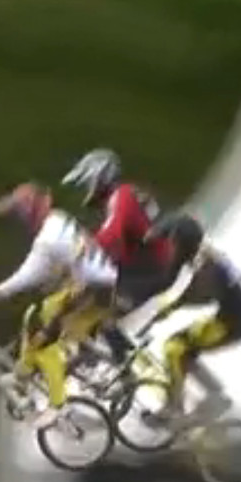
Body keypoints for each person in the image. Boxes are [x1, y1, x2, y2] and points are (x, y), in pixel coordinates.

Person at [0, 183, 119, 426]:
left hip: (97, 289)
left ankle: (58, 404)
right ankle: (23, 372)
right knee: (34, 315)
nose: (23, 215)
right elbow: (61, 261)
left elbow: (29, 275)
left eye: (26, 209)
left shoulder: (47, 240)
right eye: (21, 210)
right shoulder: (58, 218)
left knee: (43, 340)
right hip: (97, 282)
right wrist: (9, 204)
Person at [139, 211, 241, 430]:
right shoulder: (203, 252)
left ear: (184, 243)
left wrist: (172, 307)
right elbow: (180, 278)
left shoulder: (207, 262)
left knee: (174, 348)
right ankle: (215, 395)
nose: (171, 248)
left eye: (173, 243)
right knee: (183, 348)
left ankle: (175, 408)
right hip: (232, 316)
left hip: (235, 323)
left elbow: (202, 294)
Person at [58, 148, 177, 360]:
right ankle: (124, 357)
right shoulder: (126, 193)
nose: (85, 190)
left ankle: (130, 364)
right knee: (91, 299)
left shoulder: (121, 197)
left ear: (98, 178)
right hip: (151, 262)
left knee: (98, 316)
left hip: (153, 269)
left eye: (86, 184)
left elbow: (112, 233)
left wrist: (85, 249)